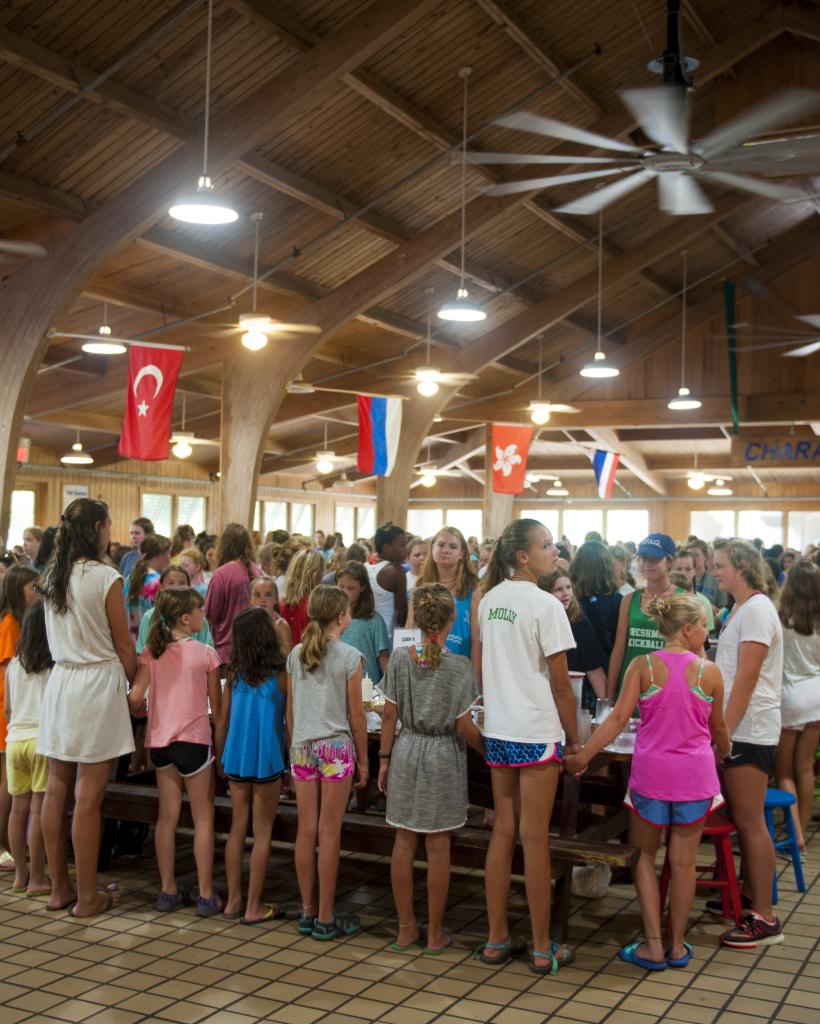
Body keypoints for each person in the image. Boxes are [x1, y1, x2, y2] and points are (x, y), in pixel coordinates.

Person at [565, 594, 730, 970]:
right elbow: (718, 728)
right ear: (688, 630)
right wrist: (725, 750)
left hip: (651, 777)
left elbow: (617, 718)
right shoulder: (710, 672)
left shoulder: (643, 667)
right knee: (684, 863)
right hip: (696, 778)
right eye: (704, 624)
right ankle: (677, 944)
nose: (708, 630)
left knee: (644, 860)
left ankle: (652, 943)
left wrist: (584, 757)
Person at [477, 519, 578, 974]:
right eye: (545, 545)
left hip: (499, 729)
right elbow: (561, 685)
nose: (553, 551)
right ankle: (541, 947)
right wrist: (575, 739)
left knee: (503, 832)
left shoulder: (488, 600)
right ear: (522, 556)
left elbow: (486, 666)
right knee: (535, 839)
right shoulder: (545, 605)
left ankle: (496, 939)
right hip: (536, 731)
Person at [38, 498, 137, 916]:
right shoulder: (105, 577)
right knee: (90, 796)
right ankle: (89, 896)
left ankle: (59, 888)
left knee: (57, 788)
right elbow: (123, 641)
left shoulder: (51, 575)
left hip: (62, 682)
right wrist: (134, 679)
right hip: (97, 682)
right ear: (98, 528)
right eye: (109, 523)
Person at [379, 583, 483, 954]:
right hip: (443, 756)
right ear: (453, 618)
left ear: (417, 620)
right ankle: (435, 932)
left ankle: (406, 928)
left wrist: (385, 759)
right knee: (439, 845)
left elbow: (389, 713)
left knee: (404, 841)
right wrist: (488, 751)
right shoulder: (458, 666)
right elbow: (464, 725)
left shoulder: (401, 659)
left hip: (407, 749)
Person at [127, 587, 222, 916]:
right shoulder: (206, 654)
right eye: (199, 610)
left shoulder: (151, 652)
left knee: (166, 819)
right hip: (194, 740)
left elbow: (135, 698)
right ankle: (206, 895)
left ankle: (167, 890)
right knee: (203, 818)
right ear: (186, 618)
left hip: (160, 743)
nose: (203, 615)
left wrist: (145, 715)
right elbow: (217, 707)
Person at [711, 538, 784, 948]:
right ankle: (745, 898)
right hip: (739, 726)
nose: (715, 571)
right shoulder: (741, 608)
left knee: (751, 821)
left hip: (749, 729)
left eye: (721, 565)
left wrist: (723, 731)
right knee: (743, 820)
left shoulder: (756, 610)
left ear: (741, 566)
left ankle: (765, 916)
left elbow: (748, 677)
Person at [286, 585, 367, 941]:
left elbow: (290, 711)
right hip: (335, 748)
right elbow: (357, 715)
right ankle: (326, 915)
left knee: (306, 830)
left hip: (302, 747)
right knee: (329, 832)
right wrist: (364, 759)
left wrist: (293, 743)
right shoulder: (351, 657)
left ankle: (306, 910)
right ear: (341, 616)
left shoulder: (296, 654)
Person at [215, 607, 288, 923]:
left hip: (236, 754)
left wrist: (220, 757)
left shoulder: (233, 674)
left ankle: (233, 900)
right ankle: (254, 906)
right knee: (262, 832)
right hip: (267, 755)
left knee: (236, 829)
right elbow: (288, 723)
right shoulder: (282, 676)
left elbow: (221, 721)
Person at [4, 601, 52, 895]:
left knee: (16, 810)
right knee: (37, 811)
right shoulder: (52, 666)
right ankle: (37, 877)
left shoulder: (13, 665)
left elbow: (8, 709)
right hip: (40, 739)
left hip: (14, 740)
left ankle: (19, 875)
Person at [774, 559, 820, 850]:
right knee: (806, 769)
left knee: (784, 772)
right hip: (817, 697)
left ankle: (793, 832)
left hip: (788, 698)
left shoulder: (780, 619)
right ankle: (801, 829)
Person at [0, 565, 41, 872]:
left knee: (16, 793)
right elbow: (7, 674)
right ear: (17, 590)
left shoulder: (25, 622)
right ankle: (3, 845)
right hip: (13, 718)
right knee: (9, 788)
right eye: (33, 587)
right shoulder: (11, 625)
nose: (38, 592)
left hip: (17, 720)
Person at [608, 534, 683, 700]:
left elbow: (692, 652)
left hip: (668, 692)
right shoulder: (629, 600)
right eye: (643, 558)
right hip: (631, 690)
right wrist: (608, 698)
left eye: (654, 559)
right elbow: (619, 651)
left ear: (669, 562)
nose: (647, 564)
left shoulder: (683, 599)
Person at [408, 526, 480, 678]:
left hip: (459, 669)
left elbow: (476, 639)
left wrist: (475, 680)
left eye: (453, 546)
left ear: (462, 554)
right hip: (424, 667)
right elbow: (410, 629)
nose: (445, 550)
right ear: (432, 548)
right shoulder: (420, 586)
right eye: (440, 545)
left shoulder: (474, 589)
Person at [540, 570, 608, 709]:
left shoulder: (580, 623)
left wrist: (606, 709)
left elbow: (594, 669)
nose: (566, 594)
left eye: (568, 587)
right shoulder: (538, 622)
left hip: (573, 700)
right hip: (542, 700)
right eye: (558, 589)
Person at [203, 523, 260, 664]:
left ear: (223, 545)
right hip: (256, 651)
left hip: (227, 654)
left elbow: (209, 615)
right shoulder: (257, 571)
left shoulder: (221, 575)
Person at [135, 565, 214, 654]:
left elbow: (208, 651)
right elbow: (142, 652)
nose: (177, 587)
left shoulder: (198, 617)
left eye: (182, 583)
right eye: (171, 583)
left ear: (189, 587)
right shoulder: (150, 616)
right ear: (161, 587)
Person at [337, 561, 390, 684]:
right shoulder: (330, 619)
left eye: (350, 588)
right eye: (341, 587)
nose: (344, 592)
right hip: (338, 687)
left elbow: (383, 658)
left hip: (367, 688)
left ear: (362, 587)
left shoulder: (374, 620)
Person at [569, 541, 623, 661]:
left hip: (574, 667)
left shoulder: (569, 598)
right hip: (606, 665)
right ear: (607, 567)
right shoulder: (617, 600)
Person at [123, 534, 172, 640]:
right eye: (168, 552)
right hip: (151, 641)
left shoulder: (130, 578)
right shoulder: (157, 582)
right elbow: (163, 618)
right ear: (159, 554)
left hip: (132, 639)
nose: (170, 557)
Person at [367, 523, 408, 635]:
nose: (406, 549)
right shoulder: (396, 571)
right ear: (387, 548)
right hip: (386, 634)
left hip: (367, 632)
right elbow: (402, 613)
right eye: (402, 545)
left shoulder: (366, 567)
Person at [281, 549, 325, 646]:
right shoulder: (312, 606)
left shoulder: (284, 603)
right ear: (313, 574)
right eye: (322, 571)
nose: (323, 575)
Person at [249, 575, 293, 655]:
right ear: (251, 599)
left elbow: (287, 660)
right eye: (257, 595)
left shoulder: (281, 626)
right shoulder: (245, 624)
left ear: (276, 599)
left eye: (268, 595)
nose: (262, 600)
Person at [674, 549, 715, 632]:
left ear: (694, 571)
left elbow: (706, 636)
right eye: (678, 569)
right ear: (671, 570)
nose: (683, 573)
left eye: (688, 569)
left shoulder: (704, 602)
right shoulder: (662, 599)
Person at [686, 539, 722, 614]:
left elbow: (724, 608)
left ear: (705, 556)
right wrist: (706, 605)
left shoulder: (716, 579)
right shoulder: (681, 579)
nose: (693, 558)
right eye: (690, 555)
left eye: (696, 555)